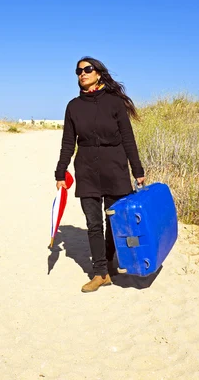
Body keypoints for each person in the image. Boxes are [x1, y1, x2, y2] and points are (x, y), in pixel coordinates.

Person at [55, 56, 145, 293]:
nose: (82, 73)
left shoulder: (114, 103)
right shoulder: (73, 106)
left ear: (98, 73)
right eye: (78, 71)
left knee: (113, 221)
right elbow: (67, 143)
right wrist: (60, 171)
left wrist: (137, 170)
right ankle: (100, 272)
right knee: (93, 223)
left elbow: (128, 138)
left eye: (87, 69)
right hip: (86, 170)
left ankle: (109, 262)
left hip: (114, 168)